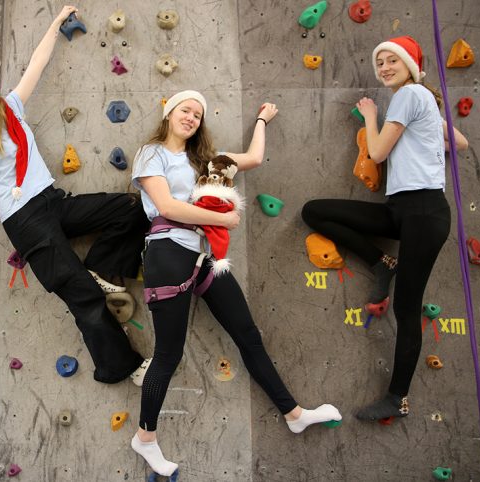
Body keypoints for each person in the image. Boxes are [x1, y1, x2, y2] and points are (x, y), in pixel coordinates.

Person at [0, 6, 151, 385]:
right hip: (24, 220)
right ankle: (121, 367)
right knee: (84, 298)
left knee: (128, 208)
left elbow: (37, 64)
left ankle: (99, 267)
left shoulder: (10, 107)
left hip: (51, 201)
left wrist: (56, 23)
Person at [130, 90, 341, 476]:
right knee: (168, 354)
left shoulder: (207, 162)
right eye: (185, 110)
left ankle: (294, 414)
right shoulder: (151, 153)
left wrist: (262, 120)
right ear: (169, 113)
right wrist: (223, 220)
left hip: (203, 257)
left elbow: (254, 158)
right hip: (167, 252)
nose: (191, 117)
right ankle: (145, 438)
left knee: (248, 334)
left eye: (198, 114)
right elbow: (167, 206)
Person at [301, 36, 468, 421]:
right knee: (316, 212)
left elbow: (376, 152)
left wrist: (371, 116)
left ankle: (398, 398)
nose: (385, 68)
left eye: (393, 60)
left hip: (424, 211)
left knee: (407, 309)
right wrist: (425, 139)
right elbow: (459, 142)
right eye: (380, 62)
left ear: (411, 66)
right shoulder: (420, 101)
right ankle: (381, 262)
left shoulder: (409, 94)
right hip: (401, 210)